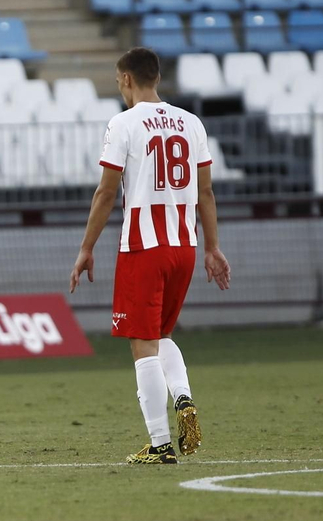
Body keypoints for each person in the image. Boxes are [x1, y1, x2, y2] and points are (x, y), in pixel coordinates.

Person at [69, 46, 231, 465]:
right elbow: (207, 192)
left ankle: (160, 444)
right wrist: (212, 247)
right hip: (184, 245)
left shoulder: (123, 123)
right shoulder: (191, 122)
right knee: (160, 336)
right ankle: (183, 398)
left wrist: (87, 247)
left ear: (125, 79)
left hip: (144, 247)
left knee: (142, 344)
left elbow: (107, 191)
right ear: (156, 77)